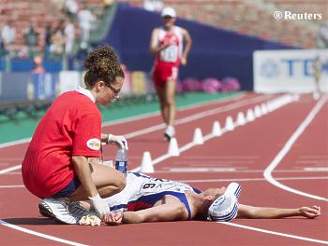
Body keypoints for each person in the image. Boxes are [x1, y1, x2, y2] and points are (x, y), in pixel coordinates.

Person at [22, 46, 128, 224]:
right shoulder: (90, 111)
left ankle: (66, 203)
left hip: (29, 176)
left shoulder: (67, 96)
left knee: (97, 165)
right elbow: (79, 159)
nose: (116, 97)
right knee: (118, 180)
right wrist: (96, 200)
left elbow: (72, 132)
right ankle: (61, 202)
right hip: (49, 177)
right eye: (115, 91)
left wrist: (108, 137)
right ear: (100, 85)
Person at [39, 172, 320, 226]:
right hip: (127, 178)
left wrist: (118, 218)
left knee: (85, 166)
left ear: (212, 199)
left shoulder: (179, 207)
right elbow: (255, 211)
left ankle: (69, 206)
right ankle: (67, 200)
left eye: (223, 190)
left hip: (114, 193)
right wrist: (295, 209)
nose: (222, 186)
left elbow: (145, 216)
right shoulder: (198, 196)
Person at [150, 6, 192, 141]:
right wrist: (163, 46)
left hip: (172, 66)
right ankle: (167, 126)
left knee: (169, 99)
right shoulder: (157, 31)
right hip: (159, 67)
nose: (167, 20)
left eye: (169, 17)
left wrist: (184, 56)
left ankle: (170, 127)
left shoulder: (181, 32)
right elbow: (152, 50)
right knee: (162, 101)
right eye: (165, 17)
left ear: (174, 19)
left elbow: (189, 41)